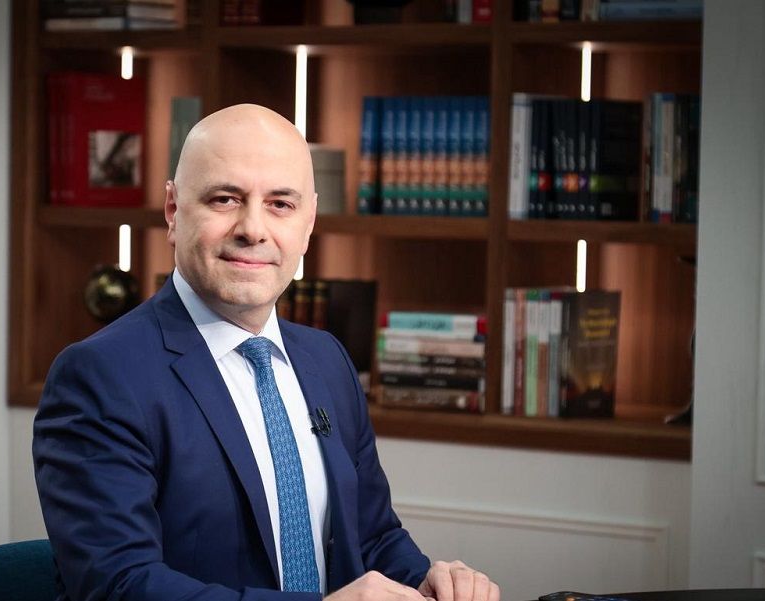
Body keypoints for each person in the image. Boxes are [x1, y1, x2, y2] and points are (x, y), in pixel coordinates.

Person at [33, 104, 500, 601]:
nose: (253, 229)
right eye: (225, 199)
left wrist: (426, 580)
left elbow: (371, 536)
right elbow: (118, 586)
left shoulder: (327, 359)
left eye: (280, 204)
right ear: (173, 210)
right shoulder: (100, 375)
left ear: (309, 222)